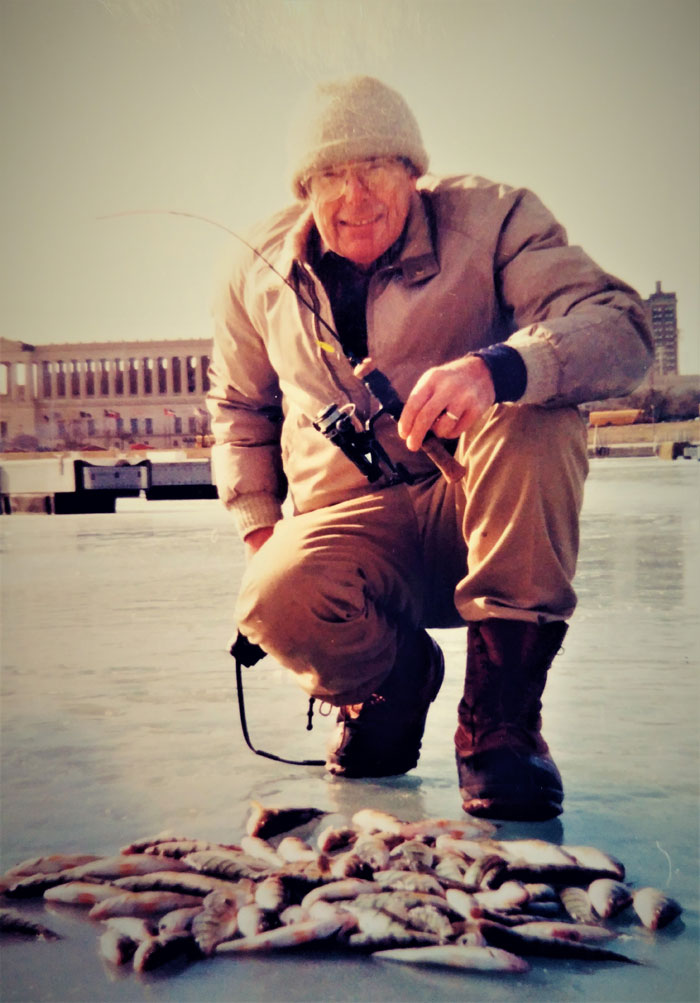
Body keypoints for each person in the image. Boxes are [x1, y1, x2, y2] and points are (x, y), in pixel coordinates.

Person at [207, 76, 652, 821]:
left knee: (535, 412)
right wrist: (261, 528)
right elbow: (237, 408)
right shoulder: (253, 273)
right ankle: (392, 682)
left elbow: (622, 327)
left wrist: (500, 368)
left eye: (377, 166)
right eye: (330, 176)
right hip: (353, 530)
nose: (356, 195)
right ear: (304, 186)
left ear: (415, 171)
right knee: (269, 592)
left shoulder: (499, 215)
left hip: (480, 515)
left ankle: (499, 723)